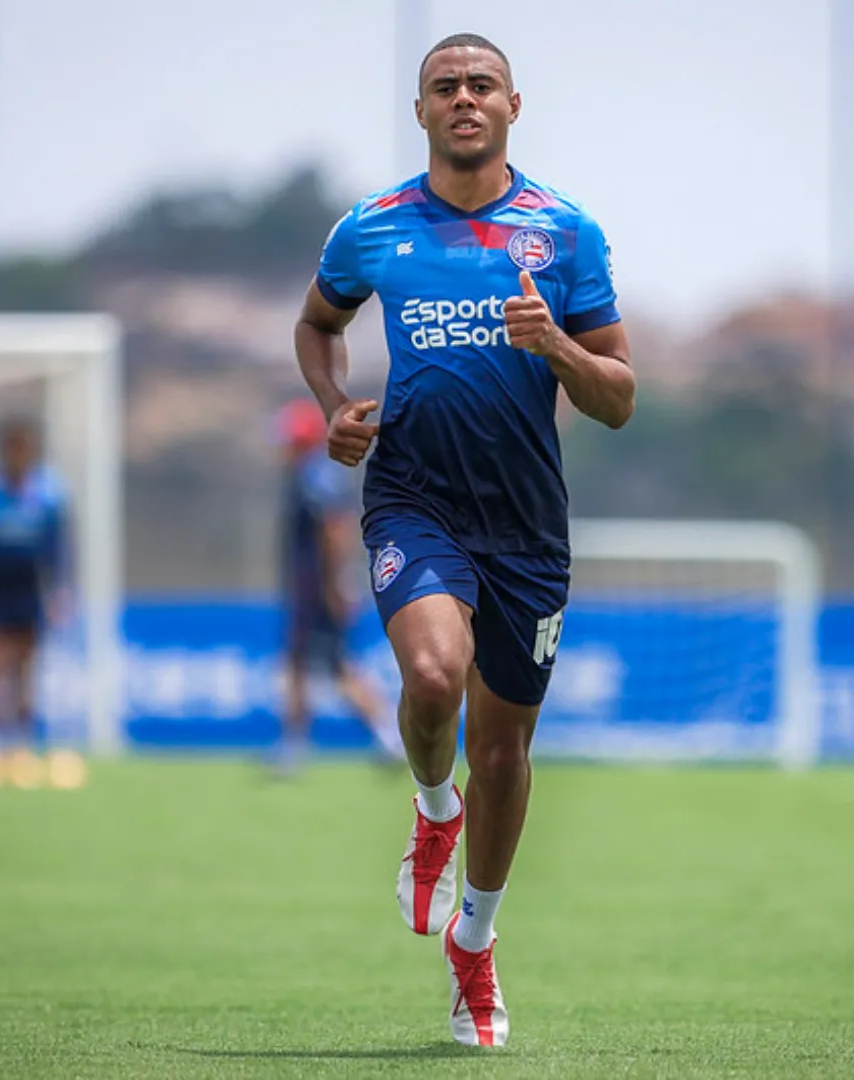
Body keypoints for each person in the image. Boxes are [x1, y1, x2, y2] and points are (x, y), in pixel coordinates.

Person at [292, 32, 633, 1048]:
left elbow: (617, 398)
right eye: (446, 86)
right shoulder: (374, 226)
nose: (465, 99)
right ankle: (431, 805)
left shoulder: (566, 235)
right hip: (413, 500)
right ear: (422, 111)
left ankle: (474, 949)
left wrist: (558, 345)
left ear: (514, 106)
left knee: (506, 747)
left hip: (525, 525)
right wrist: (332, 406)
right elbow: (318, 325)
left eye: (482, 85)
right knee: (434, 680)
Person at [274, 399, 402, 776]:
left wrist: (335, 586)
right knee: (309, 665)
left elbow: (335, 531)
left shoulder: (315, 478)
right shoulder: (308, 475)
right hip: (309, 591)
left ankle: (388, 736)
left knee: (335, 668)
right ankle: (295, 745)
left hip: (316, 592)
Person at [0, 418, 74, 790]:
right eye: (13, 447)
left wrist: (60, 590)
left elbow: (59, 549)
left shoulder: (47, 492)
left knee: (26, 671)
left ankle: (22, 748)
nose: (19, 455)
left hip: (30, 593)